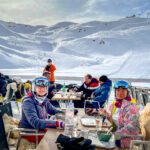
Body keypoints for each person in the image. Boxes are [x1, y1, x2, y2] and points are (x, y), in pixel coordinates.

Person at [19, 76, 64, 143]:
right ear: (34, 87)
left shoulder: (43, 99)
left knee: (62, 137)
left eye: (44, 87)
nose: (42, 89)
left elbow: (53, 110)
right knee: (56, 141)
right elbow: (35, 122)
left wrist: (66, 112)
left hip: (40, 129)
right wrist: (58, 123)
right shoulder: (28, 101)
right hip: (30, 132)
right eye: (39, 87)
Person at [101, 80, 140, 148]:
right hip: (115, 135)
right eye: (118, 90)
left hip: (125, 141)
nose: (120, 93)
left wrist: (114, 136)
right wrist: (105, 114)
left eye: (123, 91)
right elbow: (114, 121)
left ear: (127, 92)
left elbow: (131, 128)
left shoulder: (132, 108)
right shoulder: (114, 105)